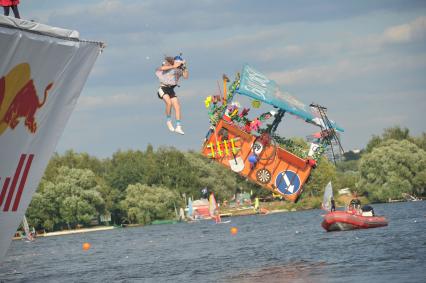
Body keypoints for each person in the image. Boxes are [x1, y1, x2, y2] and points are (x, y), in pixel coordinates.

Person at [155, 55, 189, 135]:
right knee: (169, 103)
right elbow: (161, 68)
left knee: (177, 106)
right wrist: (173, 66)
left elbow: (186, 76)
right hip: (163, 89)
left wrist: (184, 67)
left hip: (171, 90)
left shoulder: (179, 70)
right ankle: (168, 121)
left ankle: (178, 126)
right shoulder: (168, 67)